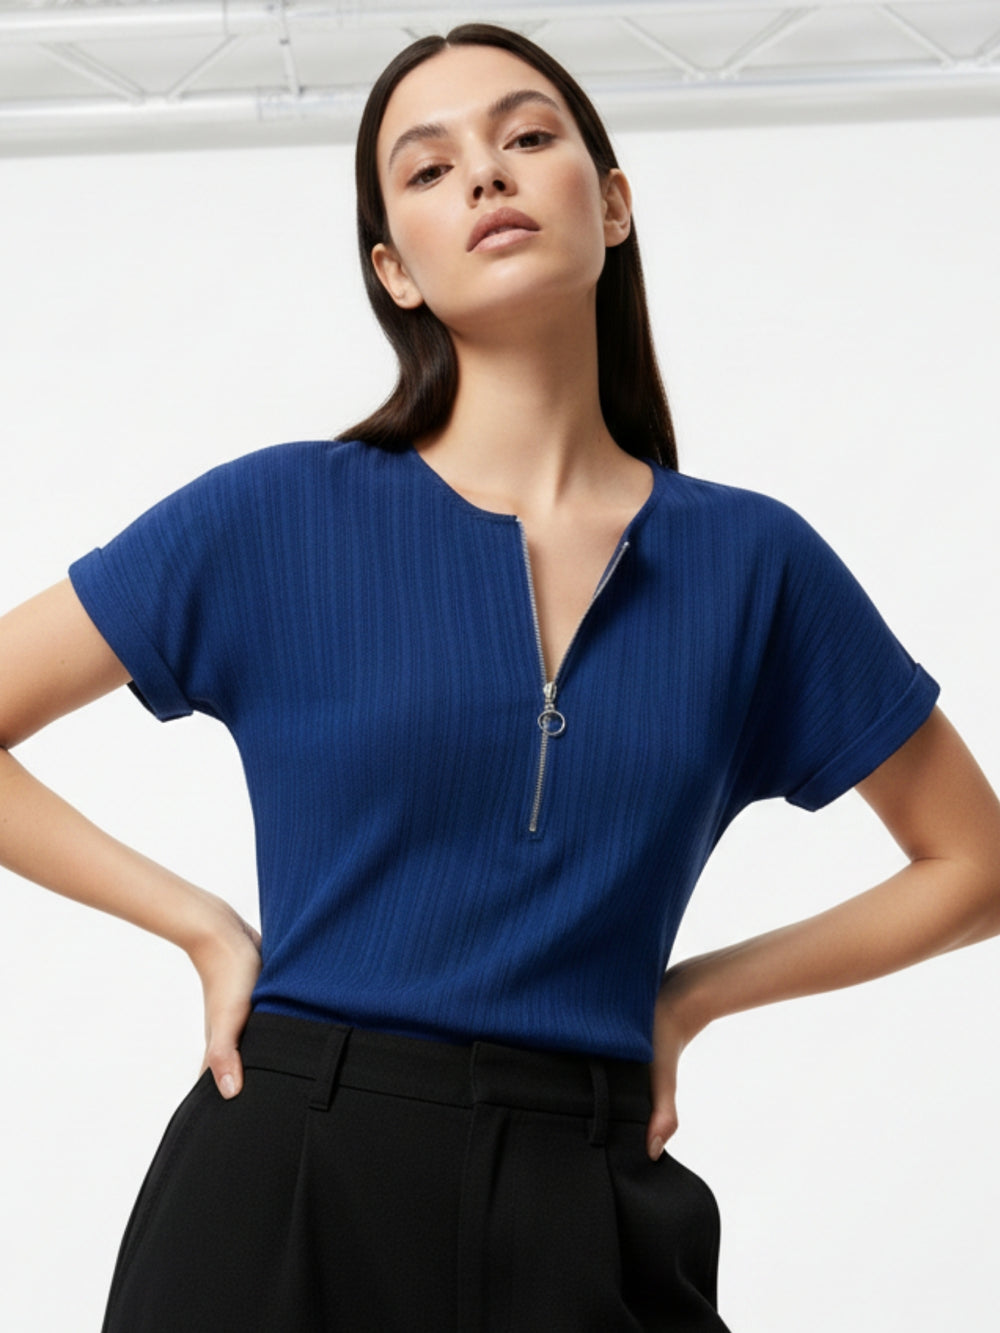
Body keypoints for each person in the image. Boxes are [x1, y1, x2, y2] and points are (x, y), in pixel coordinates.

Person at [1, 20, 998, 1333]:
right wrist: (199, 924)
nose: (485, 173)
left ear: (614, 203)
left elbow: (975, 863)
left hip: (585, 1193)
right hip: (288, 1177)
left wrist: (691, 997)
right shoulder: (276, 516)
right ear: (394, 271)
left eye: (527, 136)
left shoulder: (756, 566)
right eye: (429, 168)